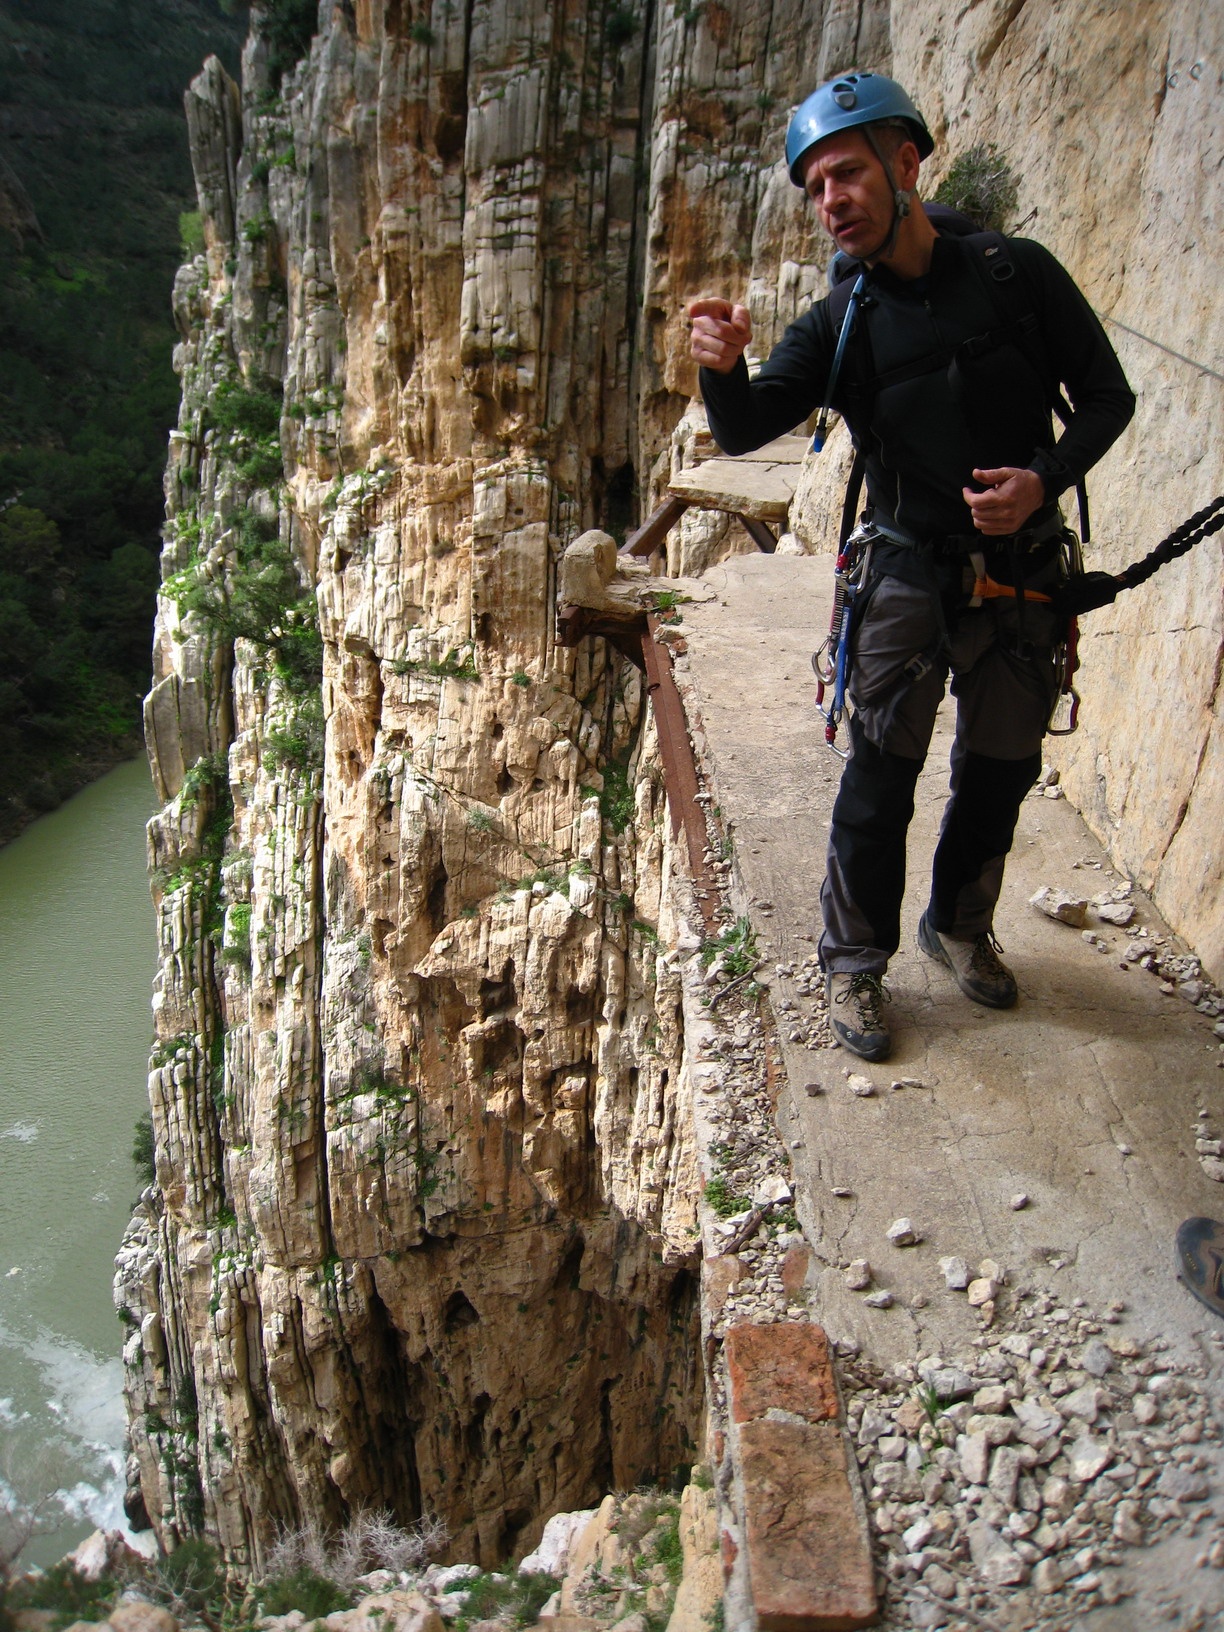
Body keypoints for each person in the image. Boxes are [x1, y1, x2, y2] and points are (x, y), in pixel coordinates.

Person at [689, 71, 1135, 1062]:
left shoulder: (1016, 276)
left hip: (1021, 573)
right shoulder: (839, 326)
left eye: (845, 174)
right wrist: (720, 368)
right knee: (881, 776)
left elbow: (1107, 397)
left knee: (1002, 772)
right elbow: (748, 426)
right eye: (812, 188)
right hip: (903, 577)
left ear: (905, 165)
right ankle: (853, 961)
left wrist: (1043, 479)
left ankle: (959, 926)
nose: (830, 201)